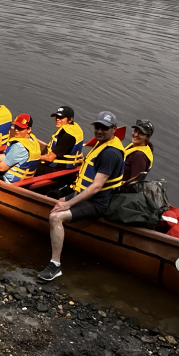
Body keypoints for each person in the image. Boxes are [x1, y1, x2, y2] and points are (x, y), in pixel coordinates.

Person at [38, 111, 125, 282]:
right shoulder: (102, 144)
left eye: (104, 128)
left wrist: (68, 203)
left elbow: (97, 186)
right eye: (97, 127)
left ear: (114, 129)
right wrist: (66, 199)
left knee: (56, 216)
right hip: (83, 193)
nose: (99, 131)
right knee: (54, 199)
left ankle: (55, 265)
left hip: (97, 202)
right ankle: (58, 238)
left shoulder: (110, 153)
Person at [0, 114, 42, 183]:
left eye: (20, 128)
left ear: (29, 129)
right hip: (24, 181)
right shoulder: (33, 141)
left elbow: (2, 168)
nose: (16, 130)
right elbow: (8, 157)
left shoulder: (19, 146)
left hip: (9, 181)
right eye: (16, 126)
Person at [35, 105, 84, 176]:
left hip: (57, 170)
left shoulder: (67, 136)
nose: (57, 119)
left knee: (29, 164)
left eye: (61, 118)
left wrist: (33, 157)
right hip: (66, 166)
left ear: (70, 119)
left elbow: (50, 158)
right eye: (57, 117)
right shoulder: (74, 128)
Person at [122, 119, 155, 187]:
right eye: (135, 131)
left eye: (141, 133)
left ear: (147, 137)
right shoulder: (134, 145)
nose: (136, 134)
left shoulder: (139, 156)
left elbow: (134, 184)